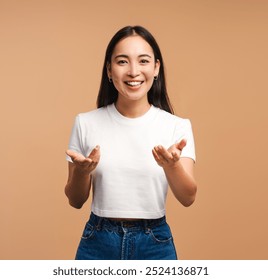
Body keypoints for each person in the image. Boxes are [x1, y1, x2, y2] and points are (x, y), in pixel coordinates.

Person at [65, 25, 197, 260]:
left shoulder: (177, 126)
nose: (134, 71)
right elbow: (75, 200)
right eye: (122, 61)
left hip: (155, 243)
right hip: (97, 242)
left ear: (156, 68)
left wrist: (171, 166)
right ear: (109, 70)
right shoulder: (86, 123)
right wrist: (82, 172)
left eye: (143, 61)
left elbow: (188, 198)